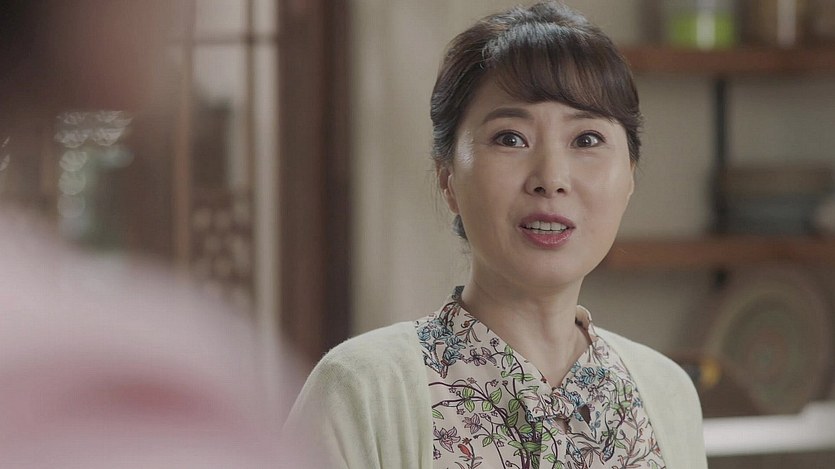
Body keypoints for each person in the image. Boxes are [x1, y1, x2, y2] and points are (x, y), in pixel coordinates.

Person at [284, 2, 707, 468]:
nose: (551, 178)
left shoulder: (666, 393)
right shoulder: (362, 391)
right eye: (510, 138)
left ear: (628, 178)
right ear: (448, 178)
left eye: (586, 139)